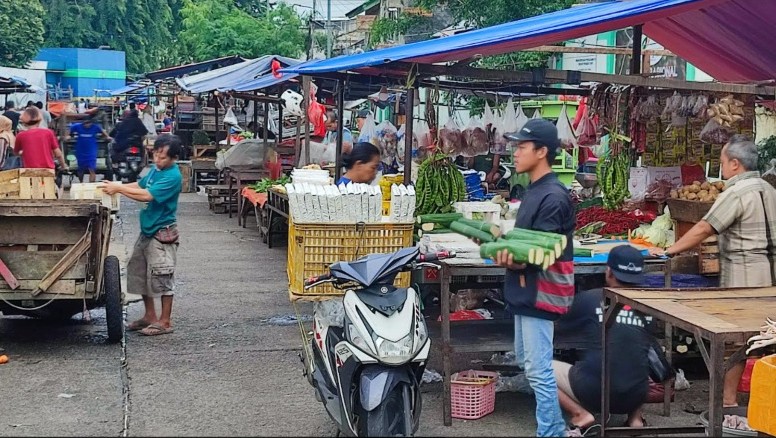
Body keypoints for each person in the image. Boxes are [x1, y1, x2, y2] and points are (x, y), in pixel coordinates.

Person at [648, 134, 776, 407]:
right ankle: (763, 401)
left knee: (735, 344)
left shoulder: (736, 193)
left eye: (722, 162)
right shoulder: (770, 190)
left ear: (735, 164)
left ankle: (728, 403)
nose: (722, 167)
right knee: (768, 340)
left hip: (745, 277)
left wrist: (671, 250)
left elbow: (706, 227)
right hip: (771, 277)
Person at [492, 119, 575, 437]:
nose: (515, 152)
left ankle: (552, 431)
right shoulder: (534, 190)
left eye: (522, 147)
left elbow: (542, 253)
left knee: (539, 369)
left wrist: (510, 258)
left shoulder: (552, 196)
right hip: (527, 290)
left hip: (542, 291)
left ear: (541, 152)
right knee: (530, 364)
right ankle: (569, 419)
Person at [554, 245, 654, 436]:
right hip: (637, 394)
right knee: (633, 355)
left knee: (537, 368)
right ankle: (635, 419)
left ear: (609, 272)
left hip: (594, 393)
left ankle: (580, 414)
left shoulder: (591, 298)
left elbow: (559, 323)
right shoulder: (650, 306)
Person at [100, 134, 183, 337]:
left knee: (162, 276)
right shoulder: (156, 171)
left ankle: (165, 321)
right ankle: (149, 315)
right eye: (156, 155)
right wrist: (115, 187)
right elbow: (141, 185)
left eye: (163, 157)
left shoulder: (172, 176)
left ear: (173, 158)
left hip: (162, 233)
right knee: (139, 272)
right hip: (148, 230)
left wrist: (118, 188)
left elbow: (147, 195)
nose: (158, 160)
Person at [68, 117, 111, 182]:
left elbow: (103, 132)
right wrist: (67, 135)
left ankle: (91, 184)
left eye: (88, 123)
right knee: (80, 169)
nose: (87, 125)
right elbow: (69, 130)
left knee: (92, 169)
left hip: (91, 151)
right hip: (80, 151)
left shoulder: (95, 127)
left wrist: (107, 137)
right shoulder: (77, 126)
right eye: (85, 123)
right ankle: (81, 183)